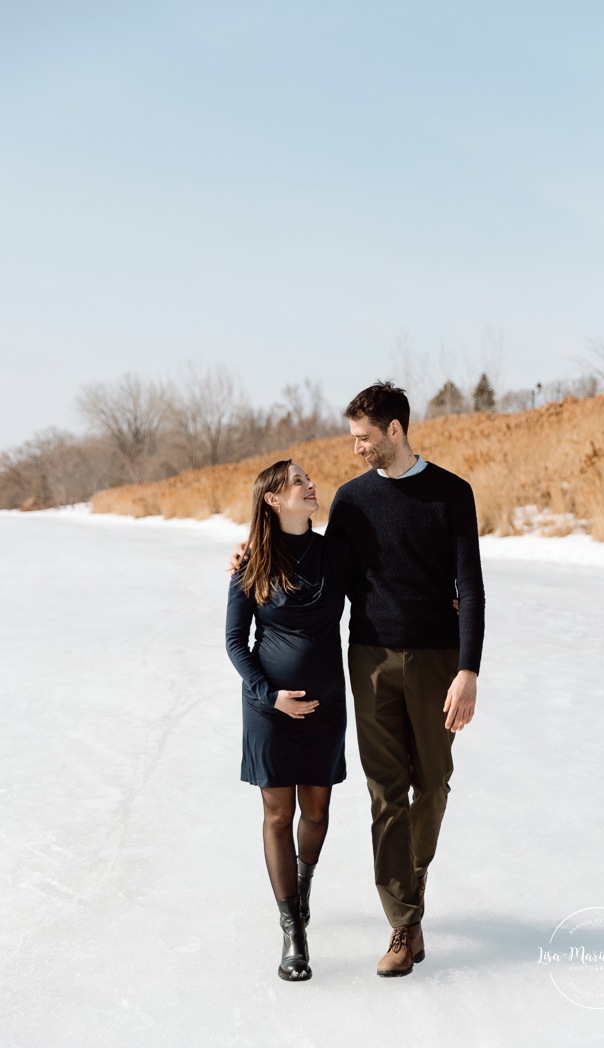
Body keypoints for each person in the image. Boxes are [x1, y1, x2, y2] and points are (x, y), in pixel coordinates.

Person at [324, 381, 485, 977]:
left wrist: (468, 668)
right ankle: (402, 922)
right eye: (353, 438)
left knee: (434, 783)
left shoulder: (452, 494)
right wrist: (258, 557)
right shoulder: (350, 501)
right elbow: (325, 581)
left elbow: (471, 587)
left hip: (438, 660)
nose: (357, 448)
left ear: (395, 429)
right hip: (369, 659)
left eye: (364, 437)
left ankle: (410, 882)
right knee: (385, 792)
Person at [225, 459, 349, 982]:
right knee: (278, 816)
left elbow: (384, 585)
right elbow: (235, 642)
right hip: (268, 710)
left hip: (325, 705)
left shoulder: (333, 552)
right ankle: (292, 927)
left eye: (307, 478)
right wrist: (270, 696)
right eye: (298, 481)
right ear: (274, 499)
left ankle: (302, 885)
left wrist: (446, 601)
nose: (310, 484)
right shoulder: (251, 561)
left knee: (315, 813)